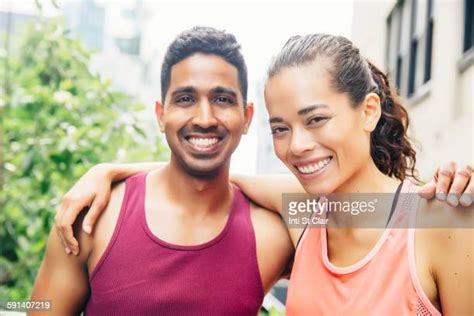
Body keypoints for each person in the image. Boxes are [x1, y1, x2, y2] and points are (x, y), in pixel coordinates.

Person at [52, 33, 473, 314]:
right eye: (281, 129)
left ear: (368, 111)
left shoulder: (443, 221)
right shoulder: (309, 218)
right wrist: (106, 170)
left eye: (317, 119)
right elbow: (207, 174)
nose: (298, 146)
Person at [30, 26, 294, 315]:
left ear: (246, 117)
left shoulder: (272, 233)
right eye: (185, 99)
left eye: (222, 99)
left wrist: (112, 169)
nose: (204, 118)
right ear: (161, 115)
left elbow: (349, 210)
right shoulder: (93, 216)